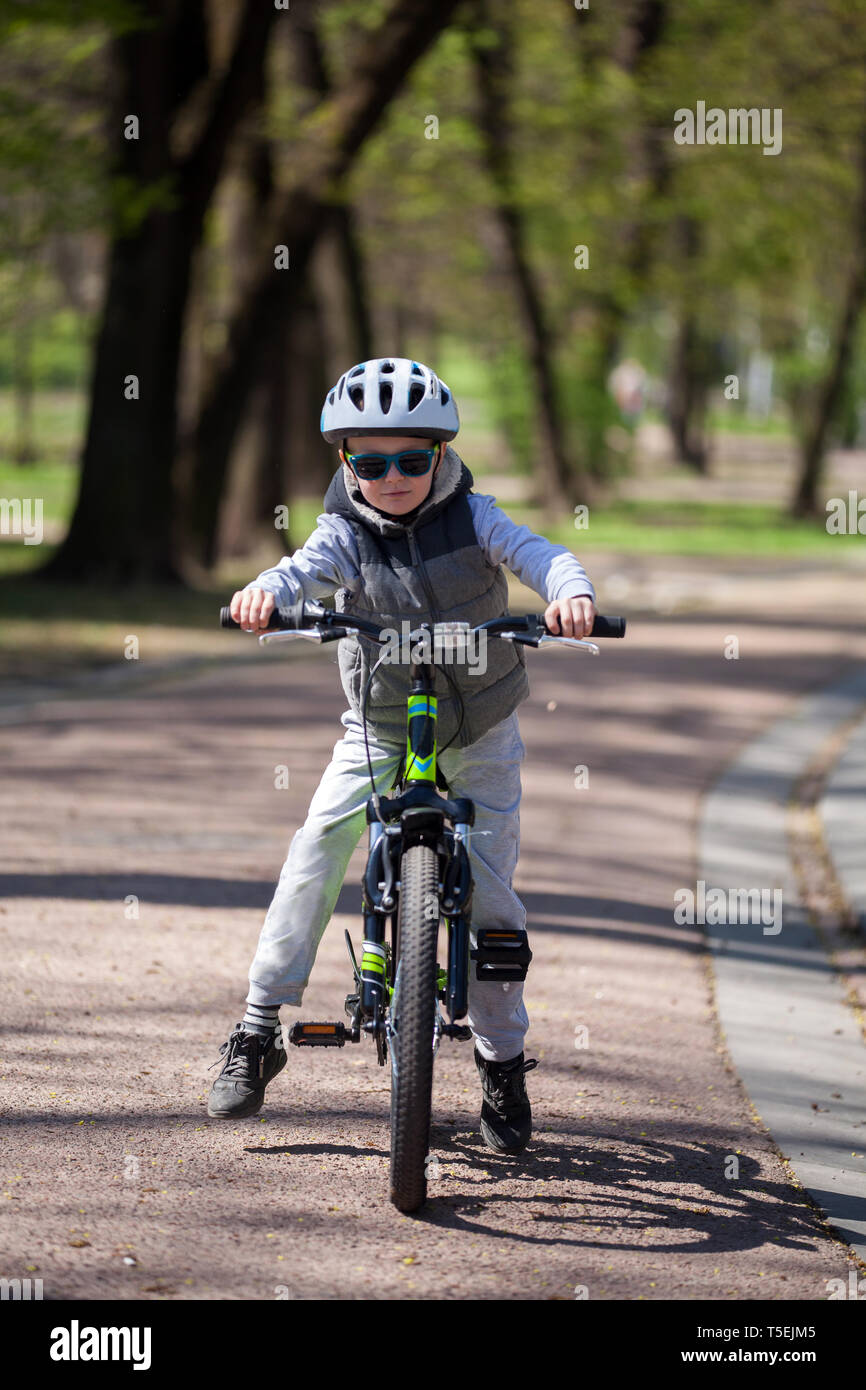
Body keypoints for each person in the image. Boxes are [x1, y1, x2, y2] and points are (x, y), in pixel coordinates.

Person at [207, 357, 596, 1154]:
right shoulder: (343, 531)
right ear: (345, 461)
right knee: (315, 847)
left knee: (492, 901)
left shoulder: (476, 518)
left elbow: (542, 554)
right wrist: (266, 595)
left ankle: (502, 1060)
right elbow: (302, 571)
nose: (392, 478)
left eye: (412, 460)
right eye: (371, 461)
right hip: (379, 729)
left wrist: (569, 593)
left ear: (442, 457)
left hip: (482, 732)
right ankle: (256, 1029)